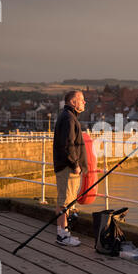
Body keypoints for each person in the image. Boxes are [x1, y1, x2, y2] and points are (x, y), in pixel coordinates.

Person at [53, 90, 88, 246]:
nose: (84, 102)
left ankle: (63, 233)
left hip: (65, 166)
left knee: (65, 200)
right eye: (82, 100)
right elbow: (68, 145)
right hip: (68, 167)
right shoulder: (69, 118)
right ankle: (62, 235)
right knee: (64, 202)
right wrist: (75, 164)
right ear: (73, 102)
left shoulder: (68, 116)